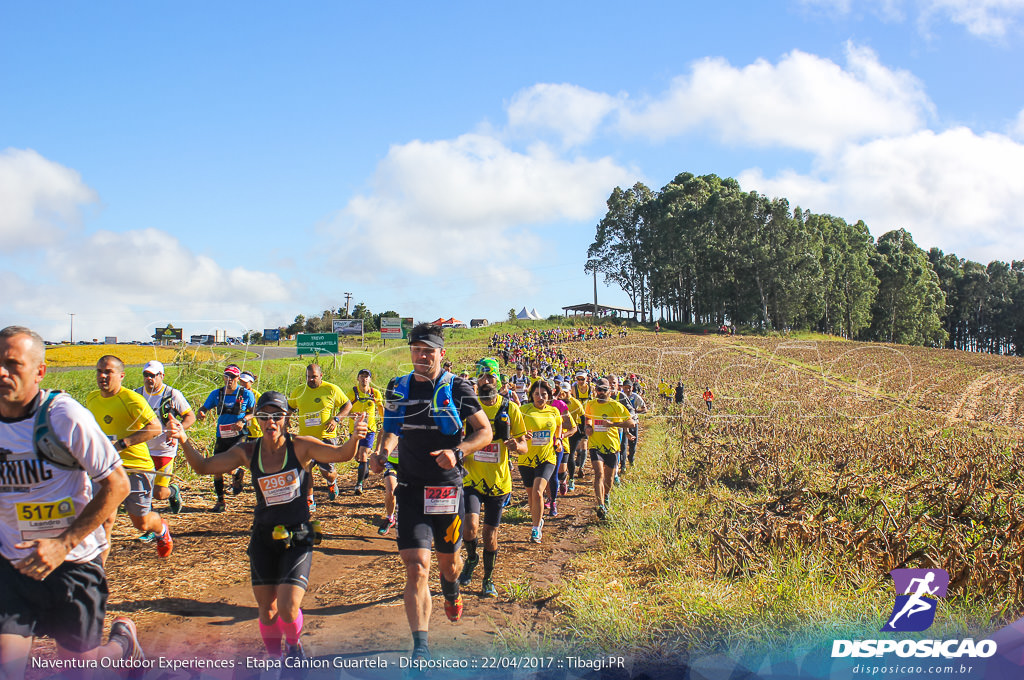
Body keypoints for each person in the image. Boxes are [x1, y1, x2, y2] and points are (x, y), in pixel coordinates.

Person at [167, 391, 367, 661]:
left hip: (299, 533)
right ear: (257, 419)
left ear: (286, 419)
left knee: (287, 606)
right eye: (264, 416)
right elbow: (204, 467)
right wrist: (183, 439)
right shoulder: (247, 451)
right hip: (263, 536)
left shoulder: (301, 446)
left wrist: (355, 437)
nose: (271, 421)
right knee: (268, 610)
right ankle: (274, 658)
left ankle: (294, 648)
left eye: (277, 416)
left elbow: (341, 454)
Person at [0, 327, 143, 679]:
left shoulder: (63, 416)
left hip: (73, 565)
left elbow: (117, 484)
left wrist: (62, 544)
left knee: (80, 671)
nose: (1, 373)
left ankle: (123, 647)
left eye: (12, 364)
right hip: (13, 565)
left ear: (39, 371)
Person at [369, 324, 492, 665]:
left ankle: (451, 590)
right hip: (409, 487)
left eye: (428, 351)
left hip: (446, 489)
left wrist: (459, 452)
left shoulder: (458, 387)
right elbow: (391, 429)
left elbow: (485, 431)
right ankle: (420, 645)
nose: (421, 356)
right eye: (416, 350)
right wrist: (382, 454)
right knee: (417, 566)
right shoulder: (398, 387)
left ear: (441, 354)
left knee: (448, 566)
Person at [86, 355, 169, 561]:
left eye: (108, 372)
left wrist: (122, 444)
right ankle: (98, 577)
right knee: (104, 522)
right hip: (106, 469)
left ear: (121, 375)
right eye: (99, 371)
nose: (103, 376)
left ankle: (161, 529)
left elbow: (155, 428)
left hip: (135, 467)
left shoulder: (132, 399)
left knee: (141, 523)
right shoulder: (92, 398)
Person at [458, 358, 526, 597]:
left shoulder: (510, 408)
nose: (487, 381)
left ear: (499, 379)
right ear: (477, 380)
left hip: (499, 481)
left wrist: (516, 446)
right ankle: (471, 558)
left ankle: (488, 579)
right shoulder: (467, 407)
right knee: (470, 527)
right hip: (471, 479)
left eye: (491, 377)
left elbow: (525, 445)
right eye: (483, 377)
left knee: (489, 536)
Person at [135, 360, 195, 517]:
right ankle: (148, 523)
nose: (149, 379)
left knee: (159, 493)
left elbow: (190, 416)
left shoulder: (172, 394)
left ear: (161, 376)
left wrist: (178, 429)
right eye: (146, 375)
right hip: (142, 450)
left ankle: (173, 491)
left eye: (153, 375)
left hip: (164, 450)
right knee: (143, 490)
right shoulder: (136, 395)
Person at [288, 363, 351, 507]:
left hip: (325, 438)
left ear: (321, 376)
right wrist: (285, 421)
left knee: (326, 472)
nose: (310, 380)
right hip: (305, 439)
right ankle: (309, 499)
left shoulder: (331, 389)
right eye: (308, 377)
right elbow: (290, 407)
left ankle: (331, 481)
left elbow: (347, 405)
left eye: (314, 377)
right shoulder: (299, 391)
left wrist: (336, 419)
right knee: (306, 470)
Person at [197, 364, 256, 512]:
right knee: (217, 468)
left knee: (229, 463)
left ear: (238, 378)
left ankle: (236, 472)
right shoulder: (217, 394)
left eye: (232, 377)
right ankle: (220, 501)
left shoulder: (246, 394)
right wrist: (201, 412)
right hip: (222, 435)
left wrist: (243, 421)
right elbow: (205, 407)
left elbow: (253, 412)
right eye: (226, 376)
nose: (229, 380)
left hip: (238, 435)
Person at [518, 380, 563, 541]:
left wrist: (557, 440)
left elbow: (558, 428)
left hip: (547, 458)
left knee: (538, 491)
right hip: (526, 459)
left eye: (544, 394)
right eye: (536, 394)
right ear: (531, 396)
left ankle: (535, 529)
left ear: (549, 396)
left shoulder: (554, 411)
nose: (540, 397)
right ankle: (538, 519)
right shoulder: (523, 410)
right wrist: (523, 436)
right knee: (531, 496)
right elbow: (515, 431)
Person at [584, 377, 635, 519]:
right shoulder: (590, 404)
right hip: (595, 445)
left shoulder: (616, 406)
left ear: (609, 391)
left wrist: (613, 425)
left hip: (612, 446)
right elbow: (588, 418)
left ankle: (606, 495)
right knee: (599, 473)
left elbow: (631, 423)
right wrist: (587, 426)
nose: (600, 392)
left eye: (603, 390)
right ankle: (600, 505)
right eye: (598, 390)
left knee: (609, 479)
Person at [348, 369, 384, 495]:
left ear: (370, 379)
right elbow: (345, 409)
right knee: (357, 456)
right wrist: (351, 415)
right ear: (358, 378)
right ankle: (365, 467)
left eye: (366, 377)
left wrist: (385, 422)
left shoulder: (375, 393)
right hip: (355, 430)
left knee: (363, 454)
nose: (364, 379)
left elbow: (381, 408)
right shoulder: (352, 393)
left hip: (369, 430)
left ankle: (359, 485)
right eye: (362, 377)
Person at [620, 380, 647, 469]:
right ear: (622, 387)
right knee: (623, 445)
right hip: (622, 424)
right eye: (625, 387)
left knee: (633, 444)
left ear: (632, 388)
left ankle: (631, 458)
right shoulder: (620, 396)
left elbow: (644, 409)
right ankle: (623, 465)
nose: (627, 390)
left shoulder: (635, 397)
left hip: (633, 422)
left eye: (629, 388)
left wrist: (634, 411)